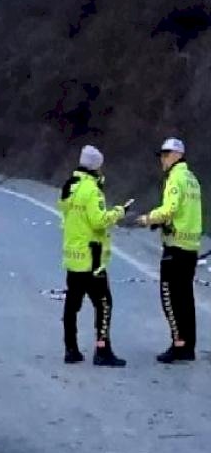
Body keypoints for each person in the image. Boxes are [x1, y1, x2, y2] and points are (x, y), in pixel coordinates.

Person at [59, 145, 131, 367]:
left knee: (72, 304)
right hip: (92, 259)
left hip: (73, 256)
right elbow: (99, 221)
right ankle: (102, 350)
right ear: (97, 167)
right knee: (104, 304)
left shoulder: (69, 186)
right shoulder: (92, 190)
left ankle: (71, 349)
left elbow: (66, 213)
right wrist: (120, 211)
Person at [136, 138, 203, 363]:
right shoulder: (192, 179)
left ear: (177, 155)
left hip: (175, 247)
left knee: (170, 299)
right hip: (191, 247)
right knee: (185, 299)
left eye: (166, 154)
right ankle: (188, 346)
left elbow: (170, 209)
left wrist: (148, 219)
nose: (162, 159)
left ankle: (178, 345)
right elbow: (185, 212)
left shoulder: (175, 178)